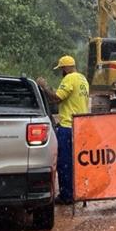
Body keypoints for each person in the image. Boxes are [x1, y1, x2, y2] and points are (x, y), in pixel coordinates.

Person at [37, 55, 89, 205]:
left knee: (64, 162)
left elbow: (56, 98)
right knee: (77, 162)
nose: (61, 72)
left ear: (65, 68)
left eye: (61, 69)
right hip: (80, 126)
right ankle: (78, 191)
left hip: (68, 126)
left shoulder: (69, 79)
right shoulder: (82, 79)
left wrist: (44, 86)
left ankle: (67, 196)